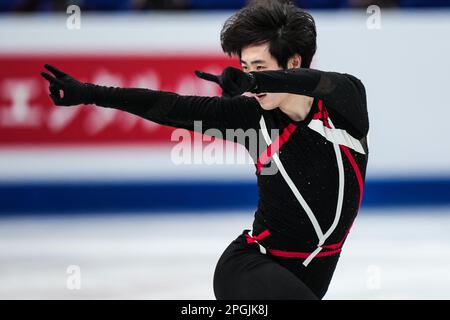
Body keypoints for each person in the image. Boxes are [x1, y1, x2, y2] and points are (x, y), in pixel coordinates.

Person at [41, 0, 369, 300]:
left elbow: (318, 81)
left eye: (260, 66)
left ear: (294, 61)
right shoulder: (251, 119)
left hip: (306, 278)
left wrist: (257, 83)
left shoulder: (345, 101)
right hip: (249, 269)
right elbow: (169, 106)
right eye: (245, 68)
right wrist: (90, 93)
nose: (251, 77)